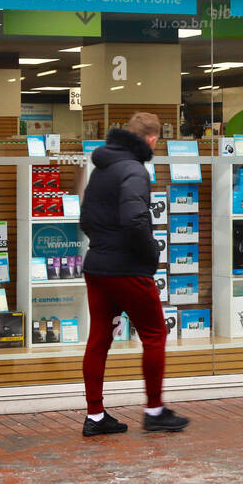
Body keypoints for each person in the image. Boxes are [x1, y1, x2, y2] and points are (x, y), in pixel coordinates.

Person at [80, 113, 189, 435]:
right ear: (152, 140)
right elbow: (134, 220)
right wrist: (151, 254)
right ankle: (154, 411)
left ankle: (95, 416)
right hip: (127, 268)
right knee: (155, 334)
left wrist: (102, 244)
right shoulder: (135, 170)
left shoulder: (101, 168)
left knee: (99, 338)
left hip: (97, 265)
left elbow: (86, 218)